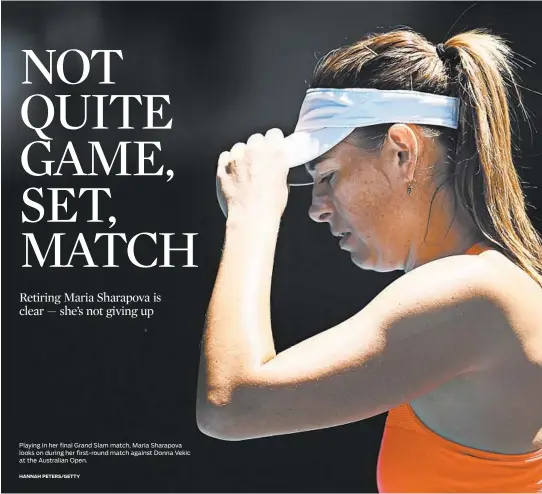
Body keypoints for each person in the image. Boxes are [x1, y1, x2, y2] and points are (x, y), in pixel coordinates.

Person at [197, 28, 542, 492]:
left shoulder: (474, 291)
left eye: (329, 176)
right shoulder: (485, 285)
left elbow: (231, 404)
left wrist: (250, 217)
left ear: (403, 152)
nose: (316, 208)